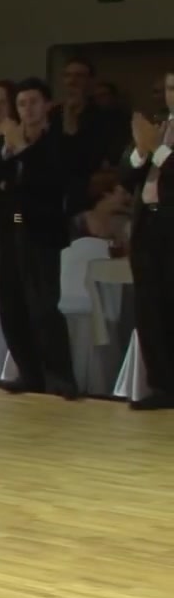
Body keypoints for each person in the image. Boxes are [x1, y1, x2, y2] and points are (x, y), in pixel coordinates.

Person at [0, 78, 78, 399]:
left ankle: (60, 377)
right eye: (22, 104)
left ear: (47, 105)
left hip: (41, 231)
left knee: (42, 306)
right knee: (11, 306)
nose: (28, 109)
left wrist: (23, 151)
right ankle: (29, 373)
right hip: (10, 227)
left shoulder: (58, 143)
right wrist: (8, 154)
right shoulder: (9, 144)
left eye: (34, 102)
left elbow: (51, 182)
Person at [124, 74, 174, 410]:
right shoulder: (156, 126)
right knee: (148, 306)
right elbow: (125, 175)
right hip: (147, 225)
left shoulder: (159, 137)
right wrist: (141, 151)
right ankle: (160, 385)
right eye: (170, 88)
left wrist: (157, 149)